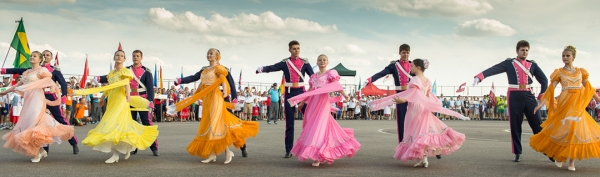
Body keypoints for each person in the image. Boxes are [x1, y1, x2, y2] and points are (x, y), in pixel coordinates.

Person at [369, 59, 467, 168]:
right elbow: (427, 95)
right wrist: (432, 105)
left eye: (412, 66)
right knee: (423, 132)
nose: (410, 68)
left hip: (415, 107)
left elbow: (413, 93)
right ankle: (423, 158)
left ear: (418, 67)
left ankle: (423, 158)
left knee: (416, 132)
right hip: (424, 107)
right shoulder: (427, 81)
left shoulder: (415, 79)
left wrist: (403, 100)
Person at [172, 48, 258, 164]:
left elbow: (231, 84)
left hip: (223, 98)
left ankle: (242, 146)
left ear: (217, 56)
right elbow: (193, 77)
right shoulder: (204, 70)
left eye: (211, 53)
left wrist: (234, 99)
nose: (208, 55)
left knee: (229, 125)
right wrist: (180, 80)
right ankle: (213, 153)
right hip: (208, 99)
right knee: (213, 125)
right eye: (207, 53)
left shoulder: (222, 69)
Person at [73, 50, 159, 163]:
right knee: (128, 124)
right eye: (134, 56)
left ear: (141, 58)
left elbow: (148, 87)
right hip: (124, 98)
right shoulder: (127, 69)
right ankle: (132, 147)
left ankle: (154, 147)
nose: (135, 58)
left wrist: (150, 100)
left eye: (137, 56)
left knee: (146, 122)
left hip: (139, 98)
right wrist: (99, 80)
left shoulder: (145, 72)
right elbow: (111, 80)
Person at [473, 40, 549, 162]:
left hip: (529, 95)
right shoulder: (510, 63)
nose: (525, 52)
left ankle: (547, 150)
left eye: (526, 50)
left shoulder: (533, 65)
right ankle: (517, 152)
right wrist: (480, 76)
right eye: (522, 50)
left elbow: (544, 80)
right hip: (514, 95)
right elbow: (494, 69)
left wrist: (541, 96)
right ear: (517, 51)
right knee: (515, 125)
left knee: (537, 123)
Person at [530, 45, 600, 171]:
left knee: (576, 130)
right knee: (564, 130)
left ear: (573, 57)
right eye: (563, 56)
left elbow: (589, 88)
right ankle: (559, 155)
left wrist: (599, 100)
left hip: (578, 105)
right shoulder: (559, 72)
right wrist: (541, 103)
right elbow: (551, 89)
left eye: (568, 55)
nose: (565, 58)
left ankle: (571, 162)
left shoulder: (581, 72)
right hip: (565, 103)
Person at [1, 51, 74, 162]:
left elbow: (49, 81)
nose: (32, 57)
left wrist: (54, 88)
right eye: (31, 56)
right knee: (30, 123)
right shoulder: (27, 72)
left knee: (35, 124)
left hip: (38, 100)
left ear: (40, 60)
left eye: (34, 56)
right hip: (28, 101)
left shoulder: (43, 71)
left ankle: (36, 154)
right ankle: (41, 150)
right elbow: (17, 85)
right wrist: (4, 92)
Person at [288, 54, 360, 167]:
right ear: (317, 62)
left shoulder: (330, 74)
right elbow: (310, 91)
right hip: (312, 104)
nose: (322, 61)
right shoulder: (313, 77)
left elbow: (337, 85)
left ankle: (318, 156)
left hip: (323, 103)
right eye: (320, 60)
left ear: (327, 62)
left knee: (319, 127)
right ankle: (318, 153)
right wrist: (302, 102)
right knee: (312, 127)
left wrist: (345, 95)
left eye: (324, 60)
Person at [256, 40, 314, 158]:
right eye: (294, 49)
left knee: (311, 119)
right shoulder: (285, 63)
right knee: (290, 124)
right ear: (289, 50)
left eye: (298, 48)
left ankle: (312, 147)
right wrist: (262, 69)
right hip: (289, 94)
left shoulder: (305, 63)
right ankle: (289, 150)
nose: (296, 50)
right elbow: (273, 67)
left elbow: (313, 77)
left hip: (302, 93)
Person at [364, 44, 413, 143]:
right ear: (399, 53)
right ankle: (402, 144)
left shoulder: (413, 65)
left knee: (415, 119)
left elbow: (419, 76)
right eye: (404, 52)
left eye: (407, 52)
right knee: (401, 119)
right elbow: (381, 73)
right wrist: (370, 80)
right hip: (399, 95)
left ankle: (417, 144)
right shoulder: (394, 66)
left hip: (411, 95)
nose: (406, 54)